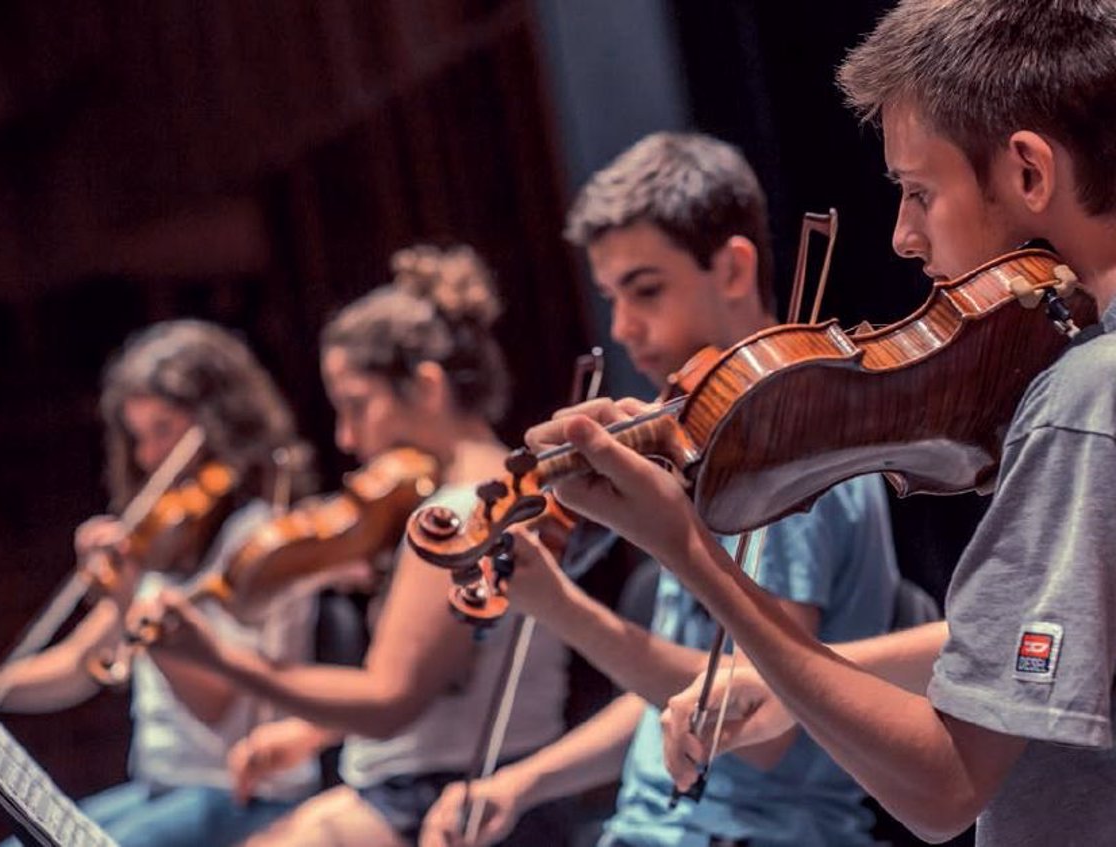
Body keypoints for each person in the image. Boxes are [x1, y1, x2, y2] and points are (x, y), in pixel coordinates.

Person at [540, 3, 1116, 846]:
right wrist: (785, 679)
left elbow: (944, 783)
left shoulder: (1084, 401)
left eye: (921, 192)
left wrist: (690, 551)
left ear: (1029, 172)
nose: (904, 236)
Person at [419, 133, 903, 847]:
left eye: (646, 290)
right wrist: (521, 782)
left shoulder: (790, 455)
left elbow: (754, 720)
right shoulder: (700, 452)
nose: (622, 328)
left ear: (733, 268)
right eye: (611, 297)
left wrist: (563, 608)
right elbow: (678, 697)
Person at [139, 245, 571, 846]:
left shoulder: (456, 510)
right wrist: (315, 732)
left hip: (444, 802)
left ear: (426, 386)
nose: (346, 438)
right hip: (465, 790)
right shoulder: (505, 483)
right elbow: (451, 683)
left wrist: (221, 659)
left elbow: (390, 700)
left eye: (357, 406)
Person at [0, 319, 323, 847]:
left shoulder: (261, 537)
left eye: (164, 430)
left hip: (242, 795)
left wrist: (131, 597)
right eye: (138, 437)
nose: (149, 457)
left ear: (221, 422)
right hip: (164, 788)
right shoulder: (167, 539)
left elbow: (215, 703)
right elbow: (84, 663)